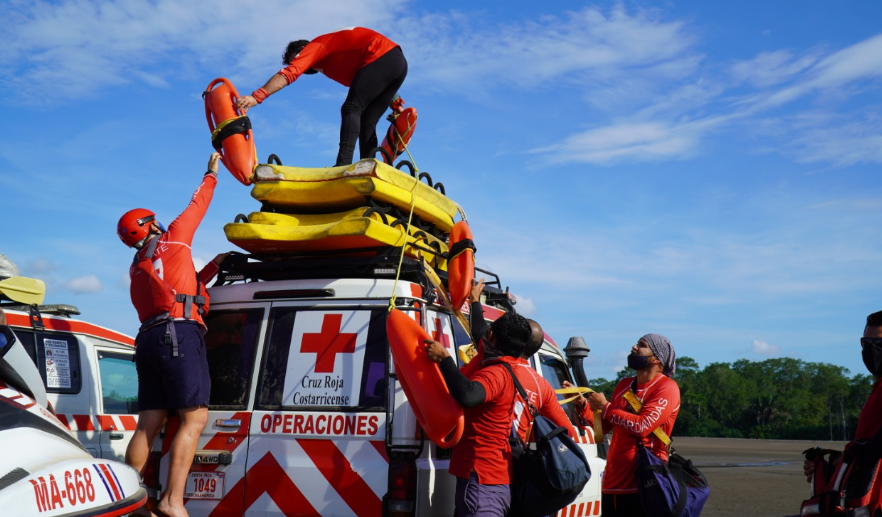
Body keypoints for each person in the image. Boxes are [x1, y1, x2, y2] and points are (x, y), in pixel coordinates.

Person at [116, 152, 228, 517]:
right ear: (150, 225)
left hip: (147, 339)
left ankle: (131, 503)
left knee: (148, 424)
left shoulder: (138, 265)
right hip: (177, 337)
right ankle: (171, 501)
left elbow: (180, 289)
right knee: (194, 419)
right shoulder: (175, 238)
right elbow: (199, 203)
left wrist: (214, 267)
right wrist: (211, 172)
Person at [235, 27, 408, 167]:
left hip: (383, 56)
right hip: (396, 63)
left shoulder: (316, 45)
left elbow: (289, 73)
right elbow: (374, 79)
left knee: (351, 108)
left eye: (295, 58)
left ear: (302, 50)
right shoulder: (331, 65)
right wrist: (396, 103)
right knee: (366, 120)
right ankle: (369, 166)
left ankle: (343, 164)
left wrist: (256, 97)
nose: (296, 62)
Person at [424, 311, 533, 517]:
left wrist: (445, 359)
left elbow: (469, 395)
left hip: (482, 480)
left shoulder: (496, 372)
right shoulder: (509, 364)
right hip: (489, 478)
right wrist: (474, 302)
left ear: (492, 337)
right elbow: (479, 331)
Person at [462, 278, 578, 441]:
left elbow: (467, 395)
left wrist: (444, 360)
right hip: (511, 458)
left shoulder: (493, 363)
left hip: (476, 459)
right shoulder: (541, 385)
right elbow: (568, 432)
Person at [583, 334, 680, 517]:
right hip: (613, 481)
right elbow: (604, 427)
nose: (634, 347)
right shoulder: (624, 385)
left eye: (642, 345)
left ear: (657, 358)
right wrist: (585, 408)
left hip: (646, 481)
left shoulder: (667, 388)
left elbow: (643, 426)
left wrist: (605, 406)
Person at [803, 311, 882, 496]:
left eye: (879, 344)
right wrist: (833, 464)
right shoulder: (876, 389)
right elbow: (868, 444)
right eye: (866, 342)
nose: (871, 349)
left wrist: (851, 459)